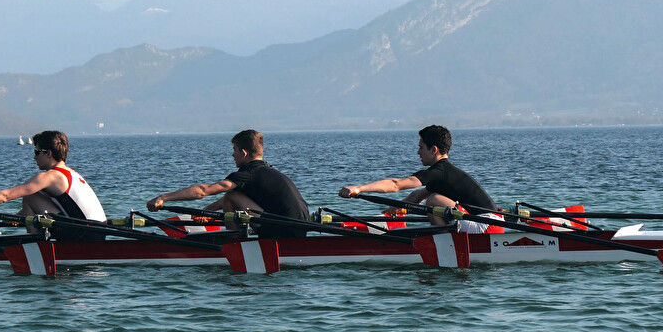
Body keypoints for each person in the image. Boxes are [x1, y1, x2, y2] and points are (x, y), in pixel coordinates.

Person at [146, 129, 309, 238]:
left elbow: (203, 191)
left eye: (234, 149)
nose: (232, 154)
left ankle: (233, 241)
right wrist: (208, 211)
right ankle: (243, 230)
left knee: (231, 195)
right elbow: (237, 198)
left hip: (285, 231)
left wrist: (164, 198)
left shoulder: (247, 174)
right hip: (302, 228)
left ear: (244, 153)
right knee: (233, 195)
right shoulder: (269, 173)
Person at [0, 130, 105, 238]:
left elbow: (5, 196)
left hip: (86, 234)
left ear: (48, 153)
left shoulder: (50, 177)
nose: (34, 157)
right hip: (98, 231)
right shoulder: (72, 173)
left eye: (36, 152)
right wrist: (17, 217)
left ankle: (35, 246)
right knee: (34, 198)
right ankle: (31, 233)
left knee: (30, 196)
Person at [338, 124, 497, 232]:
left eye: (421, 147)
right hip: (489, 223)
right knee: (431, 198)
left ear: (433, 150)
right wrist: (393, 211)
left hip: (488, 226)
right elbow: (416, 196)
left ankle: (442, 241)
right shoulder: (443, 174)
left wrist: (358, 189)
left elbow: (395, 185)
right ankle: (442, 238)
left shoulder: (438, 172)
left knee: (434, 200)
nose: (418, 152)